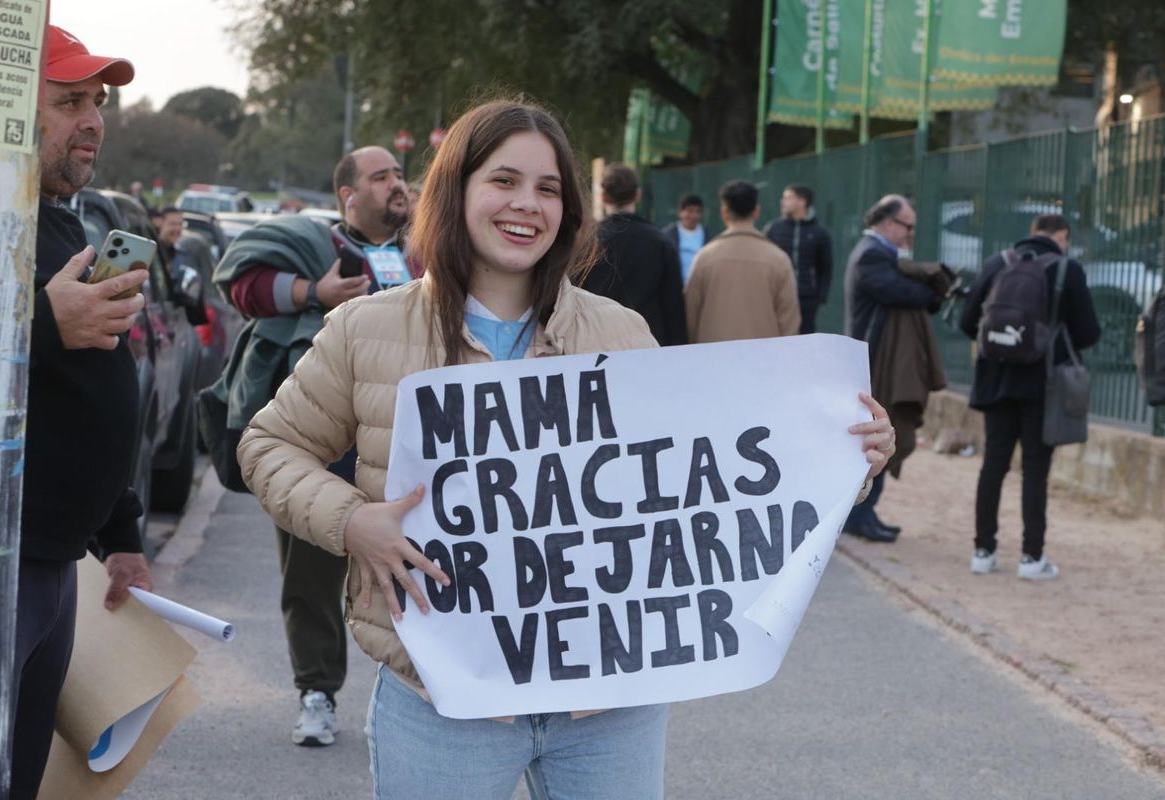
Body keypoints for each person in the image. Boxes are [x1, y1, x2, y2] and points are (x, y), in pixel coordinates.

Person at [236, 98, 896, 800]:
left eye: (548, 189)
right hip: (439, 698)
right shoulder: (364, 329)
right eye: (504, 180)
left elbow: (715, 474)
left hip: (608, 706)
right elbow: (270, 444)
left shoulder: (620, 332)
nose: (527, 205)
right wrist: (349, 520)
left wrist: (848, 455)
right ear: (454, 190)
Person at [214, 146, 407, 746]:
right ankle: (317, 692)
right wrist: (311, 291)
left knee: (422, 579)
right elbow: (242, 286)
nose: (397, 185)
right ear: (349, 195)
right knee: (310, 579)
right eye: (382, 178)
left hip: (406, 450)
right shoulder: (316, 245)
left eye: (399, 175)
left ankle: (422, 702)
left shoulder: (427, 251)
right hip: (323, 446)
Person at [12, 26, 151, 799]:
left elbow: (92, 384)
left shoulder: (64, 215)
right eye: (69, 101)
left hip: (58, 564)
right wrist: (43, 323)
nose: (94, 119)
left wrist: (123, 532)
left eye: (97, 102)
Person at [958, 214, 1100, 580]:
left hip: (995, 380)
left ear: (1032, 232)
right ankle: (1031, 557)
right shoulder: (1067, 270)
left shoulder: (997, 263)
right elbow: (1088, 333)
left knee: (994, 465)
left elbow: (965, 321)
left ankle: (983, 551)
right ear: (1062, 236)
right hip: (1043, 385)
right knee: (1035, 472)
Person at [842, 194, 939, 543]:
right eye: (907, 226)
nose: (911, 234)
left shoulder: (880, 254)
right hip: (875, 361)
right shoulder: (872, 255)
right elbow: (902, 292)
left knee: (883, 437)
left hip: (877, 358)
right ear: (887, 223)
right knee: (879, 438)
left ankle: (866, 514)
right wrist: (931, 288)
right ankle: (860, 516)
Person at [580, 163, 687, 345]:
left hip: (593, 345)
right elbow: (673, 309)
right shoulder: (660, 242)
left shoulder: (585, 242)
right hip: (647, 345)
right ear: (637, 195)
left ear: (603, 197)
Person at [685, 179, 800, 343]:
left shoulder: (704, 257)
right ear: (756, 211)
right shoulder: (779, 259)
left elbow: (691, 316)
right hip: (765, 360)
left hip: (712, 358)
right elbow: (789, 322)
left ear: (724, 213)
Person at [763, 184, 834, 334]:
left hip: (807, 298)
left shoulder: (820, 233)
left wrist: (820, 296)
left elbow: (825, 267)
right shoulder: (773, 229)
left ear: (802, 202)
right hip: (777, 296)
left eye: (788, 197)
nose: (783, 202)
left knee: (805, 337)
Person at [661, 193, 708, 284]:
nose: (693, 216)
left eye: (698, 211)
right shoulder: (668, 235)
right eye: (689, 211)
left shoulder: (706, 235)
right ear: (680, 212)